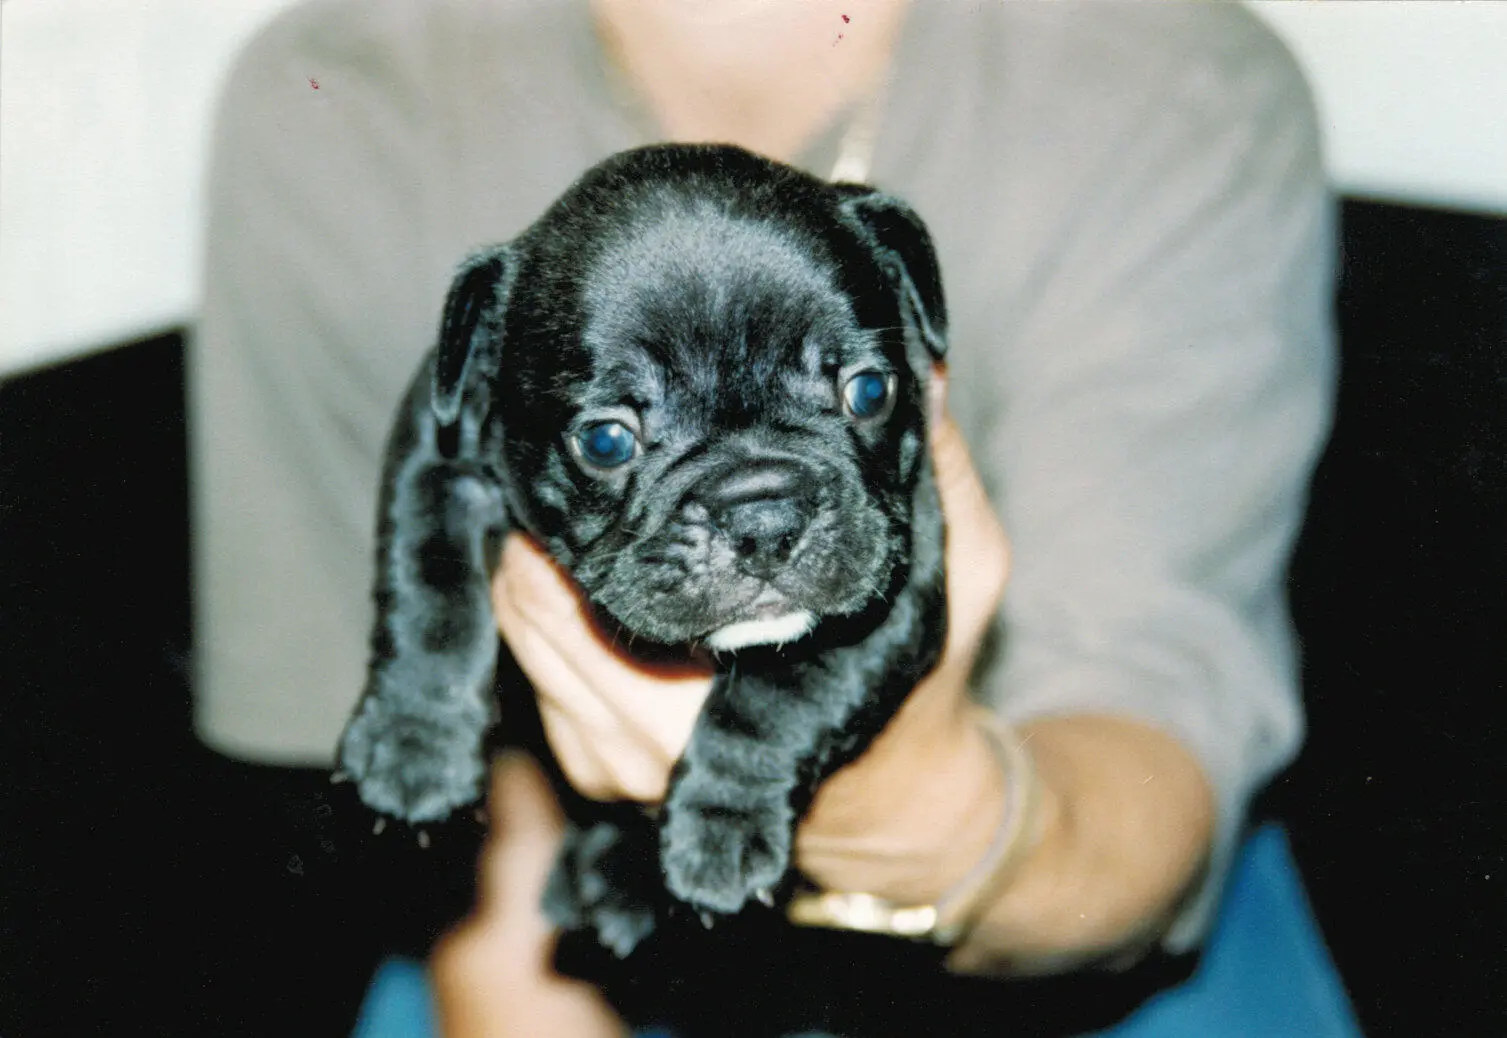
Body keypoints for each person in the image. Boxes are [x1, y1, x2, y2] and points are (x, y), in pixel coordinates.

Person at [191, 1, 1340, 1034]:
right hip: (544, 880)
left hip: (1065, 881)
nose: (756, 514)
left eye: (858, 391)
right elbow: (416, 711)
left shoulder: (1171, 82)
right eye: (611, 439)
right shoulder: (336, 93)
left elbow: (1144, 766)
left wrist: (882, 811)